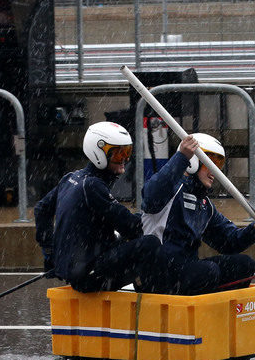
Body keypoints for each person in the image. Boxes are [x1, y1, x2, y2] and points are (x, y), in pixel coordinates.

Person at [139, 133, 255, 296]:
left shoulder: (205, 205)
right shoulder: (170, 189)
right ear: (194, 162)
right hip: (157, 274)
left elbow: (229, 242)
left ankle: (218, 312)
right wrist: (182, 157)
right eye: (210, 164)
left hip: (186, 270)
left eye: (218, 165)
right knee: (209, 271)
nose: (214, 173)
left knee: (244, 264)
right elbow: (150, 197)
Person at [35, 121, 161, 292]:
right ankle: (150, 296)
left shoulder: (72, 178)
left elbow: (41, 209)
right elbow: (131, 227)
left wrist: (50, 254)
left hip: (80, 268)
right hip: (89, 277)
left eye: (127, 152)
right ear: (98, 153)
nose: (124, 159)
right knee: (151, 244)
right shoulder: (92, 186)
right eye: (118, 154)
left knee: (129, 236)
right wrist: (155, 218)